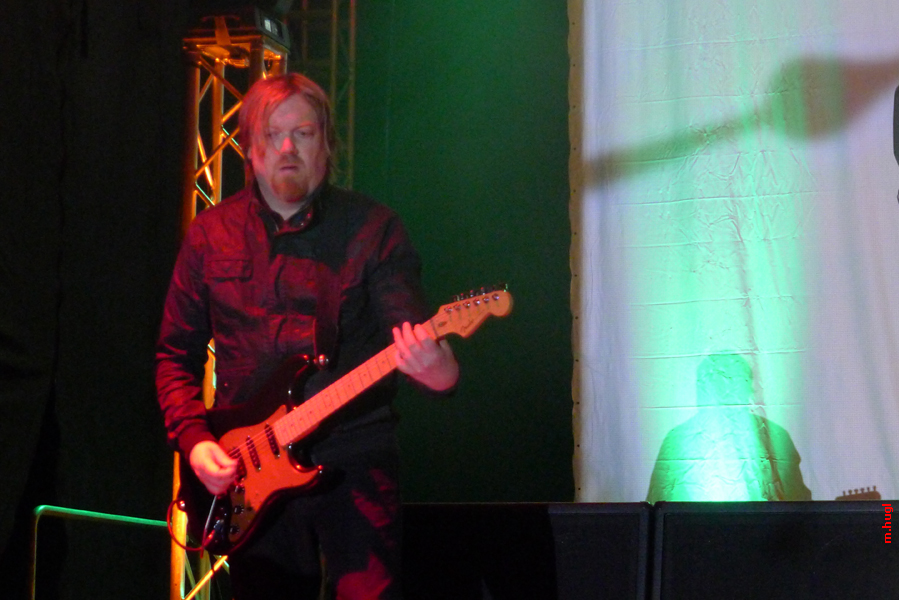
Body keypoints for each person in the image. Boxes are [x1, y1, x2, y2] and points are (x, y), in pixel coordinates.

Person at [156, 72, 459, 599]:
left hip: (355, 455)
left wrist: (439, 370)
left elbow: (415, 339)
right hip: (250, 468)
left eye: (303, 133)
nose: (287, 148)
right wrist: (196, 441)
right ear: (249, 149)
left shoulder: (374, 229)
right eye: (272, 135)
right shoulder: (210, 236)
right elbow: (174, 357)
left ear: (327, 145)